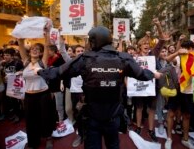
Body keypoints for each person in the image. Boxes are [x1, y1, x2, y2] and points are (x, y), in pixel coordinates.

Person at [35, 26, 162, 149]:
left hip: (92, 118)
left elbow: (58, 73)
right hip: (112, 117)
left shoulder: (85, 59)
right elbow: (141, 74)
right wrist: (154, 74)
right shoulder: (123, 58)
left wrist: (39, 71)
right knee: (113, 145)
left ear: (94, 41)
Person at [17, 20, 55, 149]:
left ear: (40, 53)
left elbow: (47, 44)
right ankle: (33, 141)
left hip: (43, 94)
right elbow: (20, 44)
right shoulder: (26, 62)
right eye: (33, 49)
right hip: (29, 96)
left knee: (45, 118)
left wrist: (47, 32)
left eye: (37, 49)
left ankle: (48, 138)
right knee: (30, 119)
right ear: (30, 51)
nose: (34, 50)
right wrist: (19, 27)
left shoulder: (43, 62)